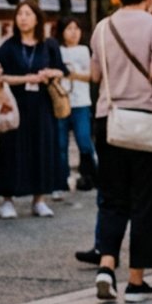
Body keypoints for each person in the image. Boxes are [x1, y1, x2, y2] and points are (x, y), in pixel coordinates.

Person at [87, 0, 152, 303]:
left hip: (109, 119)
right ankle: (136, 280)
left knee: (112, 197)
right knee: (146, 200)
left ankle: (106, 265)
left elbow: (95, 75)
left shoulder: (102, 28)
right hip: (147, 120)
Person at [0, 0, 66, 218]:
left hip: (42, 104)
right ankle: (7, 199)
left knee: (42, 147)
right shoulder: (8, 46)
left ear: (37, 18)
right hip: (15, 103)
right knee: (11, 148)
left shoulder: (49, 45)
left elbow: (61, 70)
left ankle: (39, 199)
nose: (23, 18)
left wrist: (50, 74)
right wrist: (27, 77)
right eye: (20, 14)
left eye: (28, 14)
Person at [55, 18, 96, 192]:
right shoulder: (56, 50)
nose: (73, 32)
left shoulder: (84, 50)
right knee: (60, 144)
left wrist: (71, 74)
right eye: (69, 28)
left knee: (84, 141)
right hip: (61, 101)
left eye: (76, 28)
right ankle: (61, 179)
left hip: (81, 102)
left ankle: (88, 176)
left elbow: (91, 75)